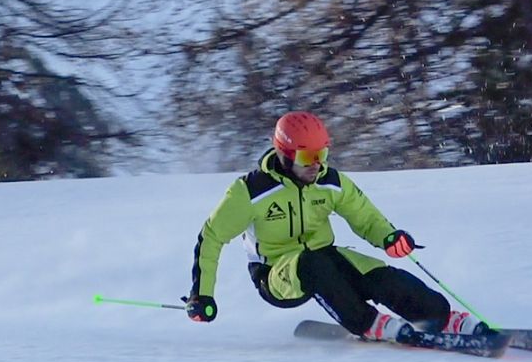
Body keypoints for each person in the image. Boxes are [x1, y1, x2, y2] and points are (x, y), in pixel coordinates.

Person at [185, 110, 489, 342]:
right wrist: (202, 295)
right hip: (276, 274)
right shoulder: (250, 191)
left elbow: (365, 217)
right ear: (285, 154)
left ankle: (440, 317)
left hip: (326, 257)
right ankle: (369, 323)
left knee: (378, 274)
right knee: (313, 264)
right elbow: (211, 238)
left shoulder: (330, 182)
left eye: (322, 154)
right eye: (307, 157)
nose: (317, 164)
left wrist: (389, 237)